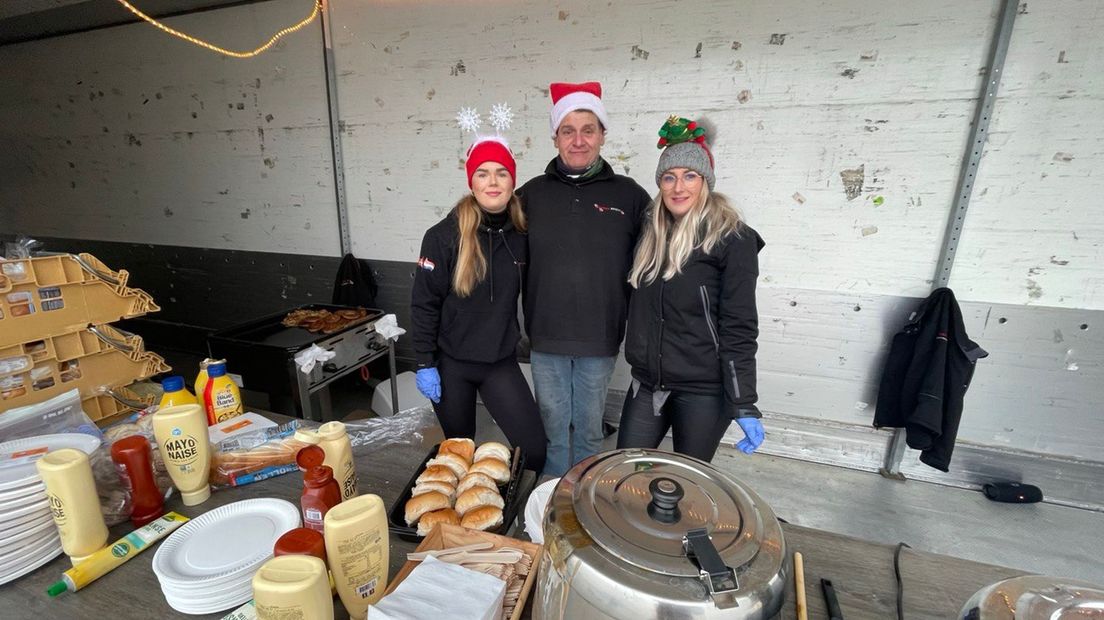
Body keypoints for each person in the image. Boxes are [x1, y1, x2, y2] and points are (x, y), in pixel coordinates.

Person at [517, 81, 651, 477]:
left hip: (600, 339)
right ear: (555, 137)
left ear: (603, 136)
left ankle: (584, 499)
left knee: (590, 433)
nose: (579, 140)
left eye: (588, 129)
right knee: (553, 430)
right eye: (568, 130)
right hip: (546, 338)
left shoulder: (630, 196)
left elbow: (663, 252)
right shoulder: (529, 196)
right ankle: (552, 501)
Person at [617, 115, 766, 462]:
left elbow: (739, 326)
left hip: (703, 391)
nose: (678, 187)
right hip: (646, 384)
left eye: (690, 176)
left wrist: (743, 401)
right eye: (669, 177)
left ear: (706, 182)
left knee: (689, 482)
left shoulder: (732, 239)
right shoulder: (649, 234)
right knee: (625, 472)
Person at [410, 135, 547, 473]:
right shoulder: (443, 236)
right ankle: (466, 520)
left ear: (513, 180)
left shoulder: (522, 232)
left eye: (502, 172)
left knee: (534, 451)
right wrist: (425, 362)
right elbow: (424, 303)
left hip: (499, 362)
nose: (493, 182)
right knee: (460, 454)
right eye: (483, 173)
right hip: (451, 363)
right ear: (471, 180)